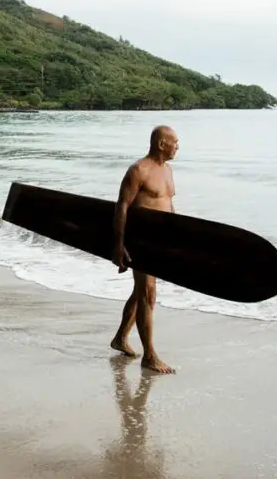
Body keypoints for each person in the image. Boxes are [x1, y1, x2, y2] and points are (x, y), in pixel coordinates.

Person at [110, 124, 179, 374]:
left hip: (159, 242)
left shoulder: (168, 171)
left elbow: (168, 205)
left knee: (142, 291)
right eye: (175, 142)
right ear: (162, 144)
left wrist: (176, 238)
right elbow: (122, 206)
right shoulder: (139, 170)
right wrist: (118, 245)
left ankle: (120, 338)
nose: (177, 147)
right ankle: (149, 355)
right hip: (139, 240)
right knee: (148, 294)